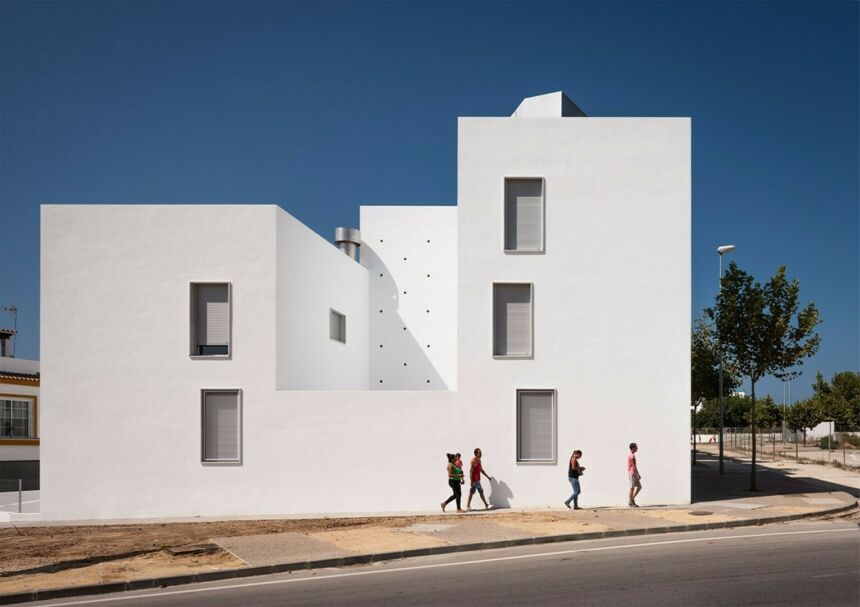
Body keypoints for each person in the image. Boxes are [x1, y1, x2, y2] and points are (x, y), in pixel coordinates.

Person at [627, 442, 642, 507]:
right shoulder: (632, 456)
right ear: (633, 448)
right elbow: (634, 466)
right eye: (636, 447)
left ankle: (632, 499)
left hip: (633, 473)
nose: (637, 448)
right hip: (632, 473)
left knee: (639, 487)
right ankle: (631, 502)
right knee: (632, 488)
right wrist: (638, 474)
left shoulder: (631, 455)